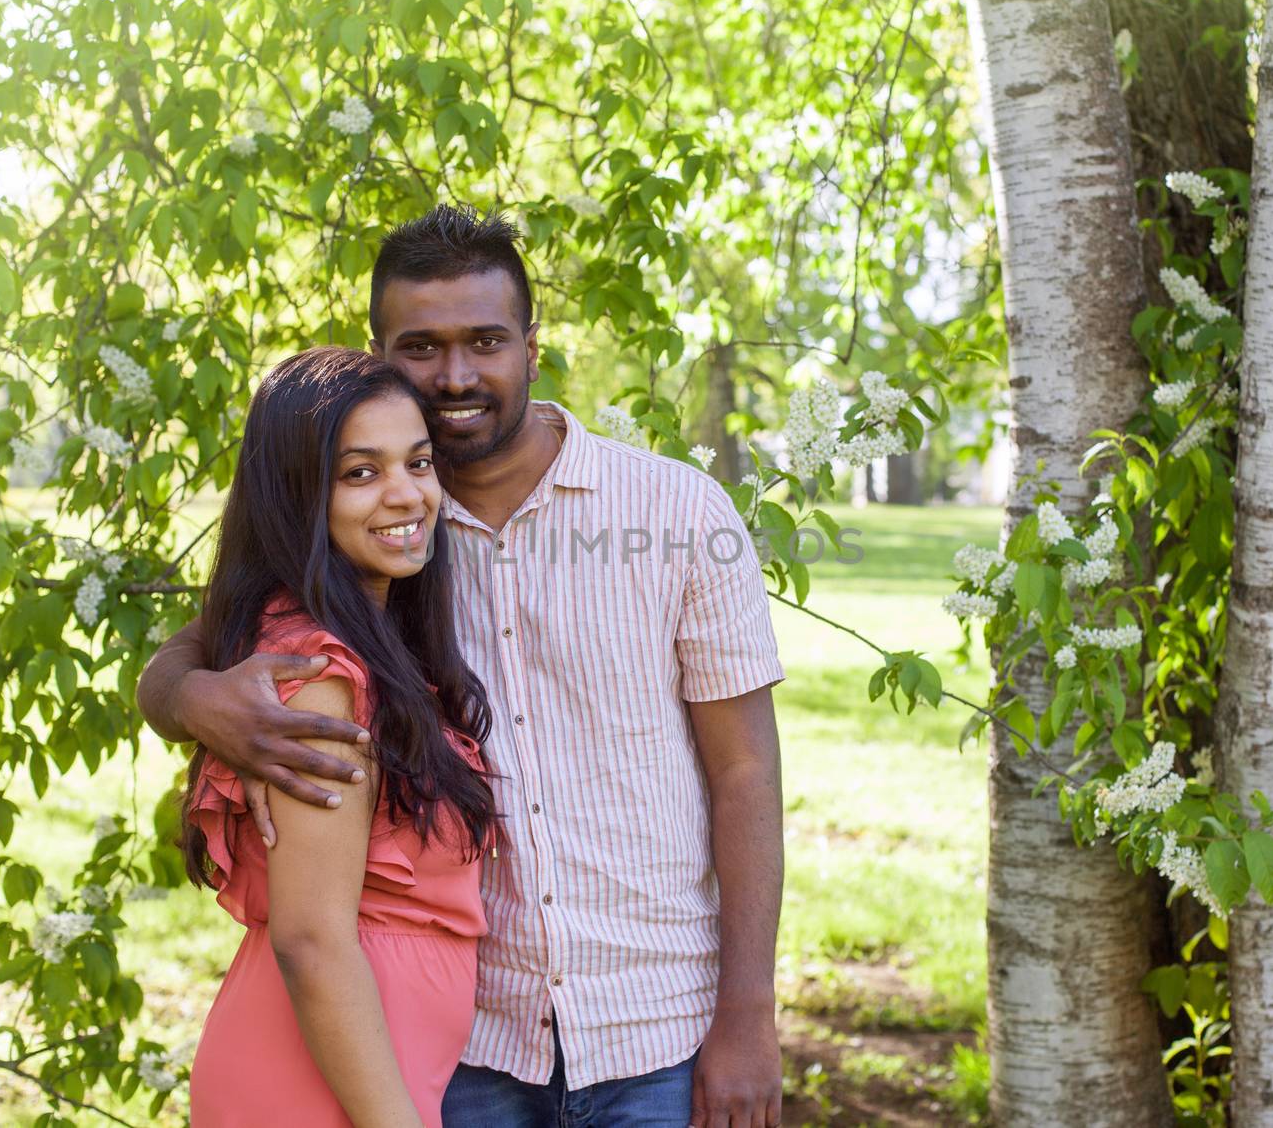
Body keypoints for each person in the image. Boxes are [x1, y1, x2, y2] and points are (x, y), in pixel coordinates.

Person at [139, 205, 787, 1128]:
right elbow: (214, 635)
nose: (456, 374)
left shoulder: (676, 512)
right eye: (422, 345)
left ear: (531, 342)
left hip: (658, 1030)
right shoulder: (369, 535)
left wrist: (748, 1016)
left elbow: (746, 770)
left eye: (485, 339)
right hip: (465, 1049)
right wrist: (191, 695)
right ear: (381, 351)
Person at [178, 346, 497, 1128]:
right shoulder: (319, 671)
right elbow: (312, 939)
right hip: (319, 1092)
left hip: (366, 1079)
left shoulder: (375, 640)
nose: (406, 494)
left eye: (417, 462)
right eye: (361, 472)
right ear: (297, 495)